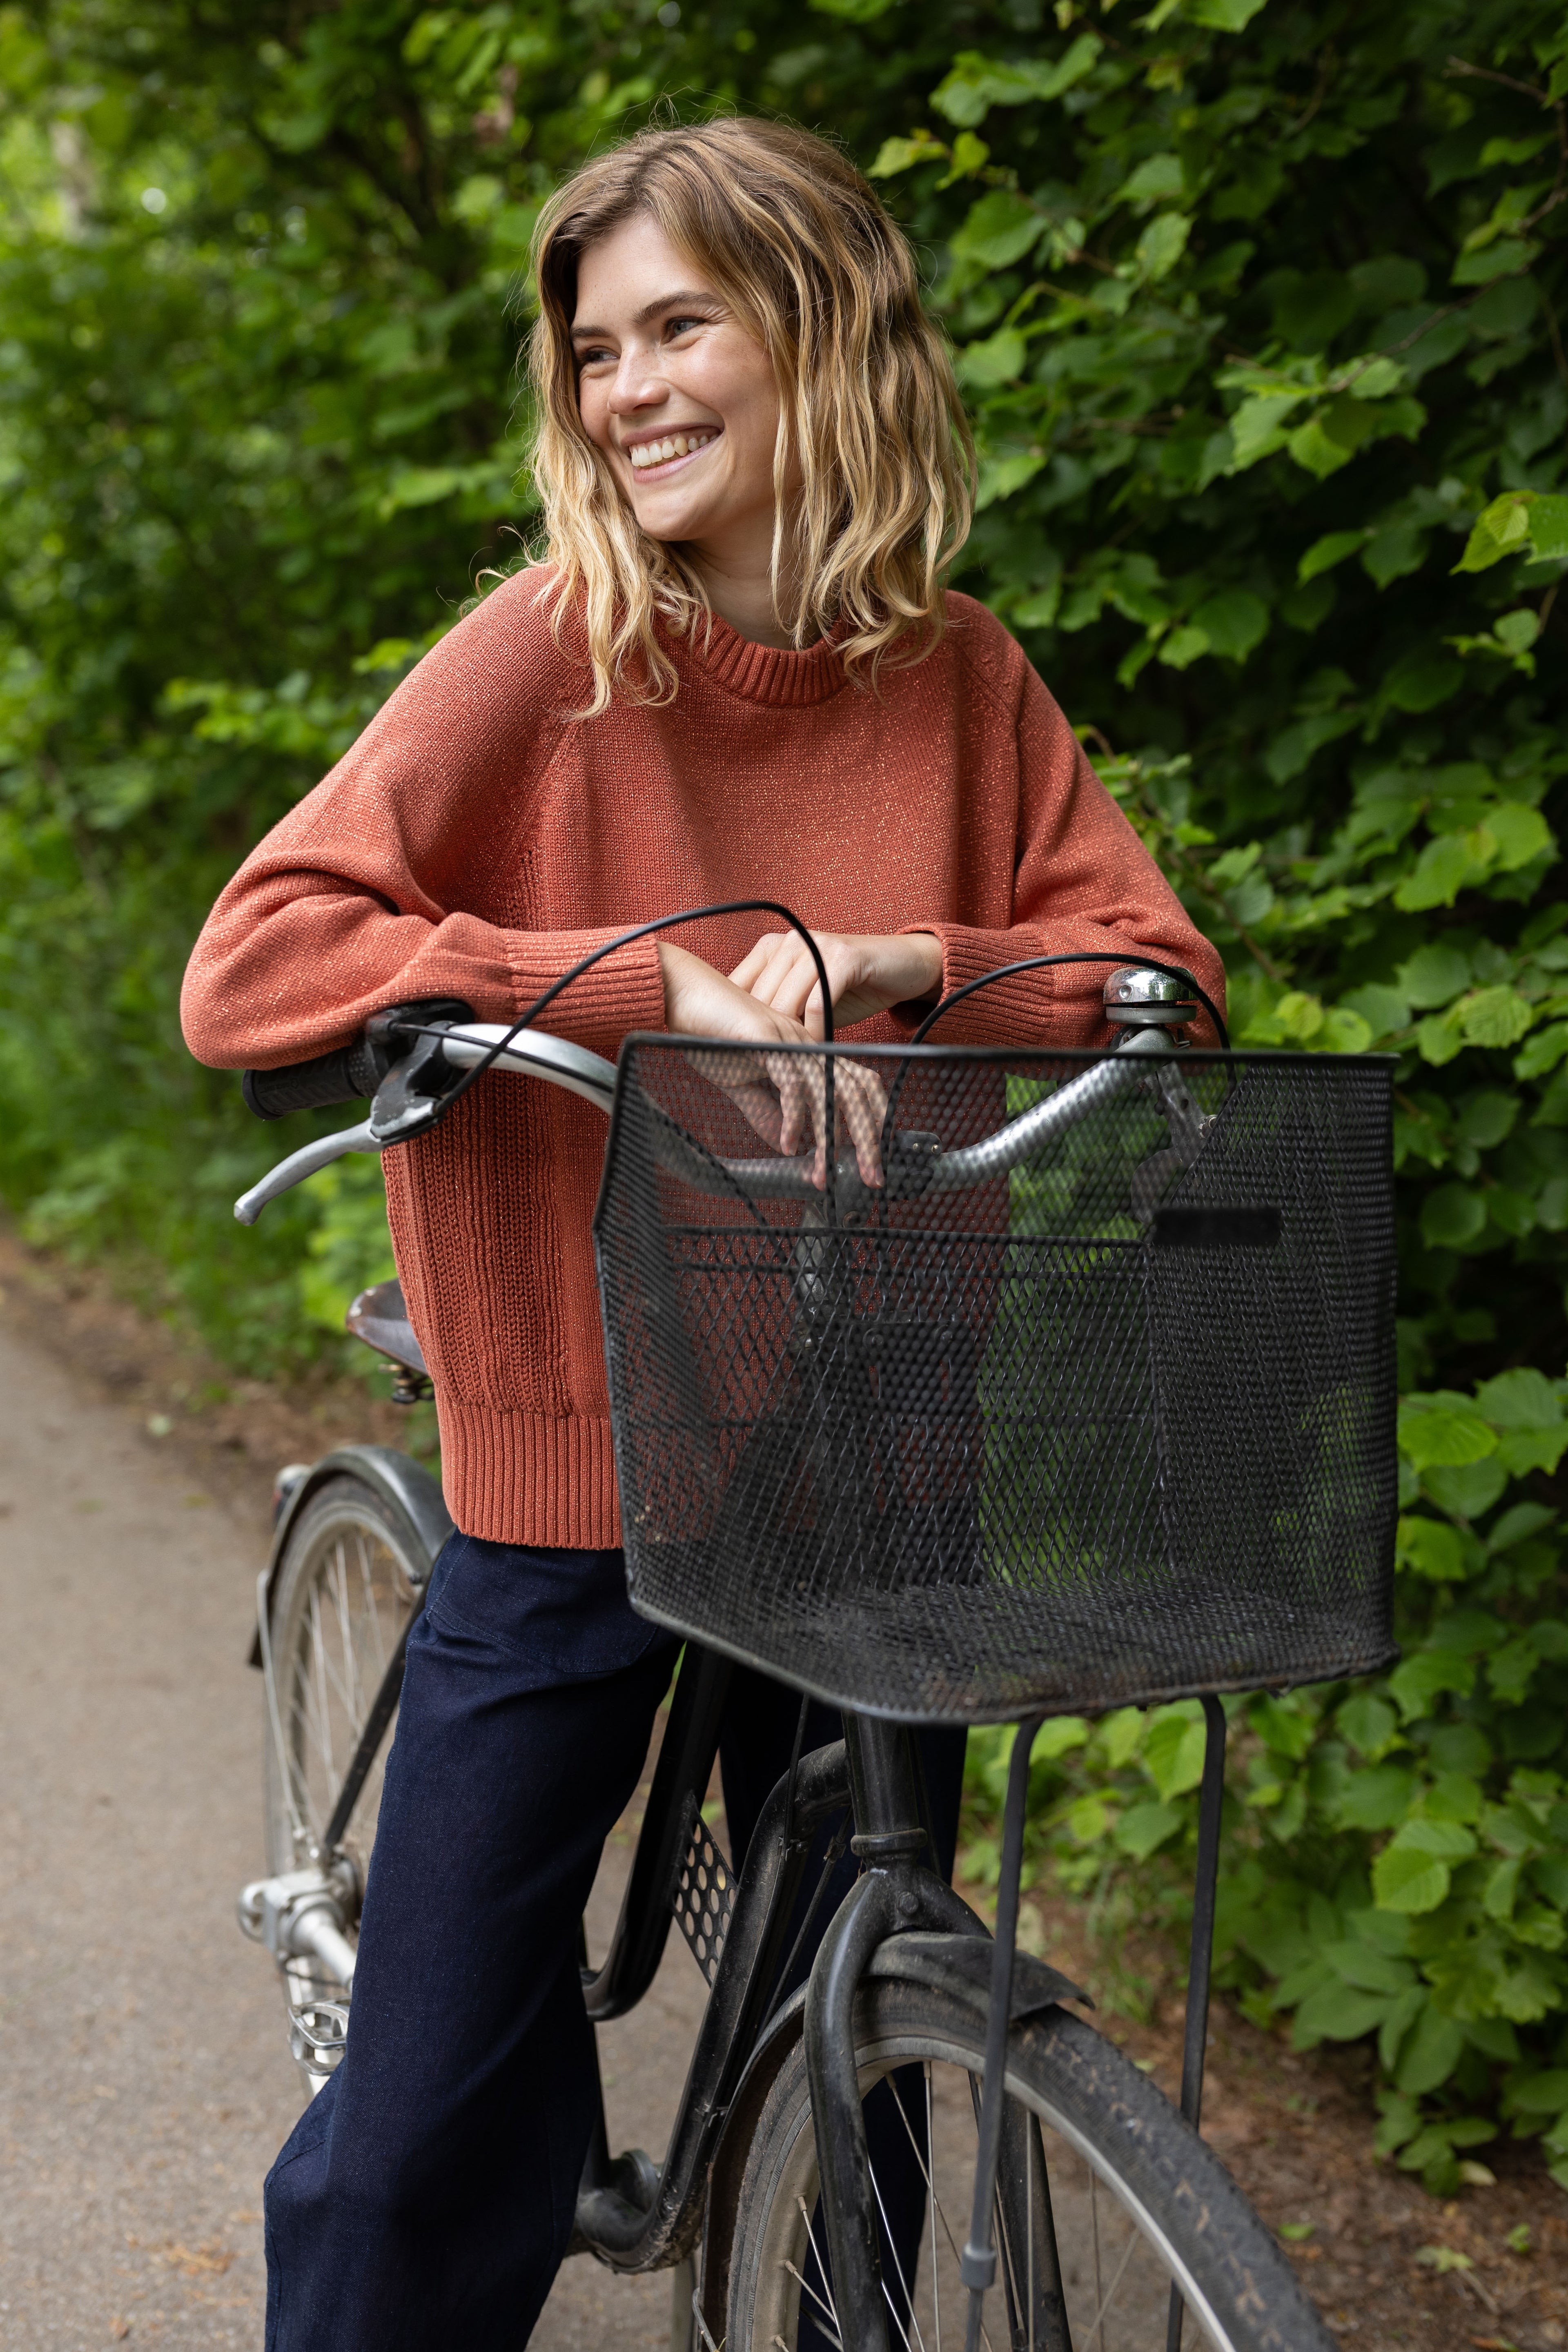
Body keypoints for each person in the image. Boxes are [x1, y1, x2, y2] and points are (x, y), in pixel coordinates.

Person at [182, 114, 1224, 2352]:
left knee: (864, 2085)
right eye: (594, 350)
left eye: (680, 327)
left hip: (865, 1446)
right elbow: (254, 960)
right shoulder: (552, 650)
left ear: (823, 335)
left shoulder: (957, 673)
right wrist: (634, 972)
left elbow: (1162, 974)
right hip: (580, 1455)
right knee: (424, 2132)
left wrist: (894, 961)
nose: (625, 388)